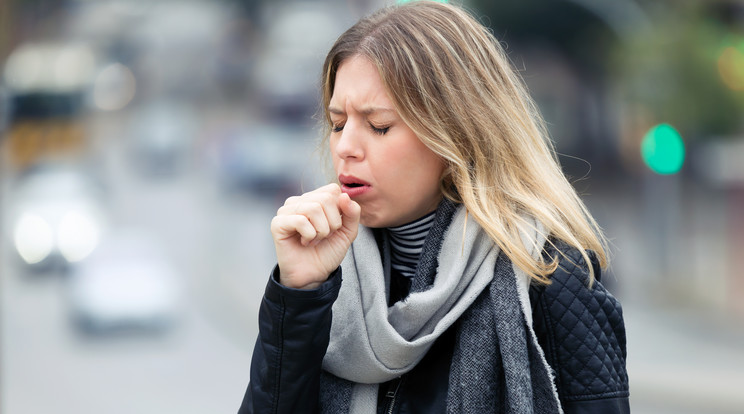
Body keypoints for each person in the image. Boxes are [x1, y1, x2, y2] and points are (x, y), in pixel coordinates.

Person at [238, 1, 629, 413]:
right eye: (338, 124)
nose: (346, 148)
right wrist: (298, 295)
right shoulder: (323, 279)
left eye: (379, 126)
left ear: (455, 132)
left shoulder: (552, 277)